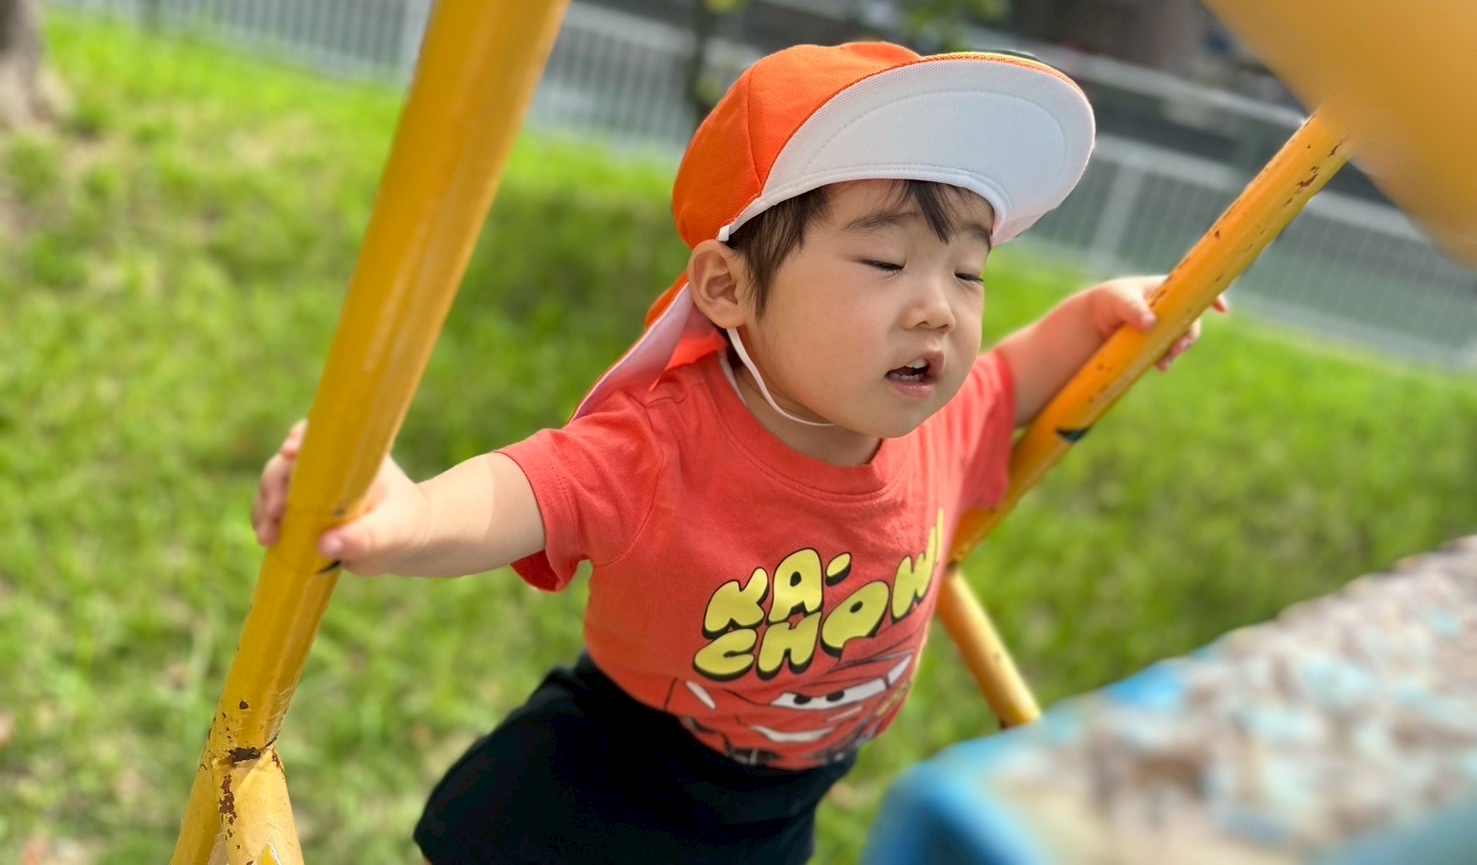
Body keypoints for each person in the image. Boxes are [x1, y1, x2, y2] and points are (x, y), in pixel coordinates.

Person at [253, 42, 1225, 863]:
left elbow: (1016, 375)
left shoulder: (940, 417)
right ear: (726, 288)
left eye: (967, 271)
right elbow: (526, 489)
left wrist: (1100, 319)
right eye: (885, 260)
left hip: (778, 811)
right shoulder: (667, 443)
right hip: (618, 788)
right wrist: (407, 515)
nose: (937, 305)